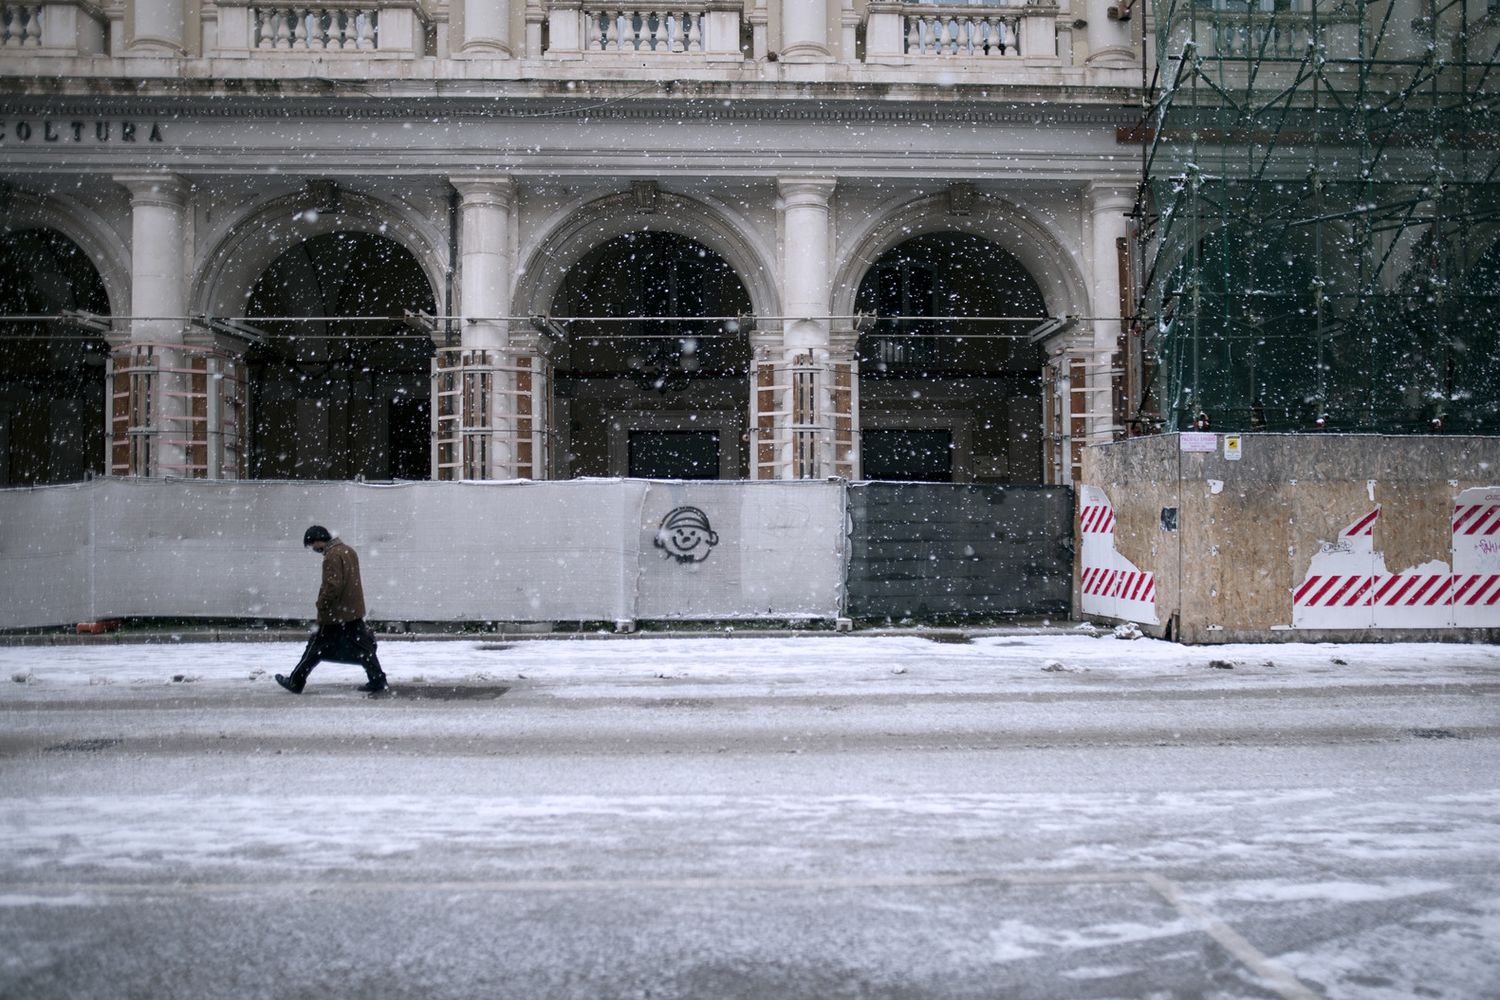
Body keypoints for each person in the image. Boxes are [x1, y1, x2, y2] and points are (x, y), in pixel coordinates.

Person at [275, 525, 389, 695]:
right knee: (364, 647)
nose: (314, 549)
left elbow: (332, 586)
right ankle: (377, 679)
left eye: (312, 545)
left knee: (314, 647)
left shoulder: (332, 556)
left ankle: (295, 682)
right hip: (353, 611)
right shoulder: (348, 550)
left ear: (318, 540)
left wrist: (322, 605)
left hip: (335, 613)